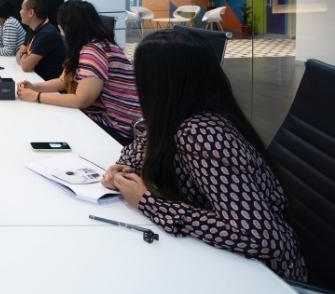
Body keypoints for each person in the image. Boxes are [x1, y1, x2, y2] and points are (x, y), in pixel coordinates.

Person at [101, 28, 306, 281]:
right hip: (218, 259)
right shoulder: (176, 115)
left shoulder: (202, 133)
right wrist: (122, 169)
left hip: (262, 277)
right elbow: (141, 148)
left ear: (159, 84)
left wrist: (148, 202)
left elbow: (259, 238)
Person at [17, 0, 141, 144]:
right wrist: (34, 87)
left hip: (116, 127)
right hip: (102, 118)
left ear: (70, 27)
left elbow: (81, 100)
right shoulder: (83, 47)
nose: (59, 28)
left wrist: (37, 96)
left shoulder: (94, 51)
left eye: (61, 24)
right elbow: (62, 81)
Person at [15, 0, 65, 80]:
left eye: (22, 9)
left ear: (31, 13)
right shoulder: (31, 29)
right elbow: (18, 56)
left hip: (47, 85)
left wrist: (24, 55)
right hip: (35, 78)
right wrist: (24, 56)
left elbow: (26, 66)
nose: (20, 12)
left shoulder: (47, 34)